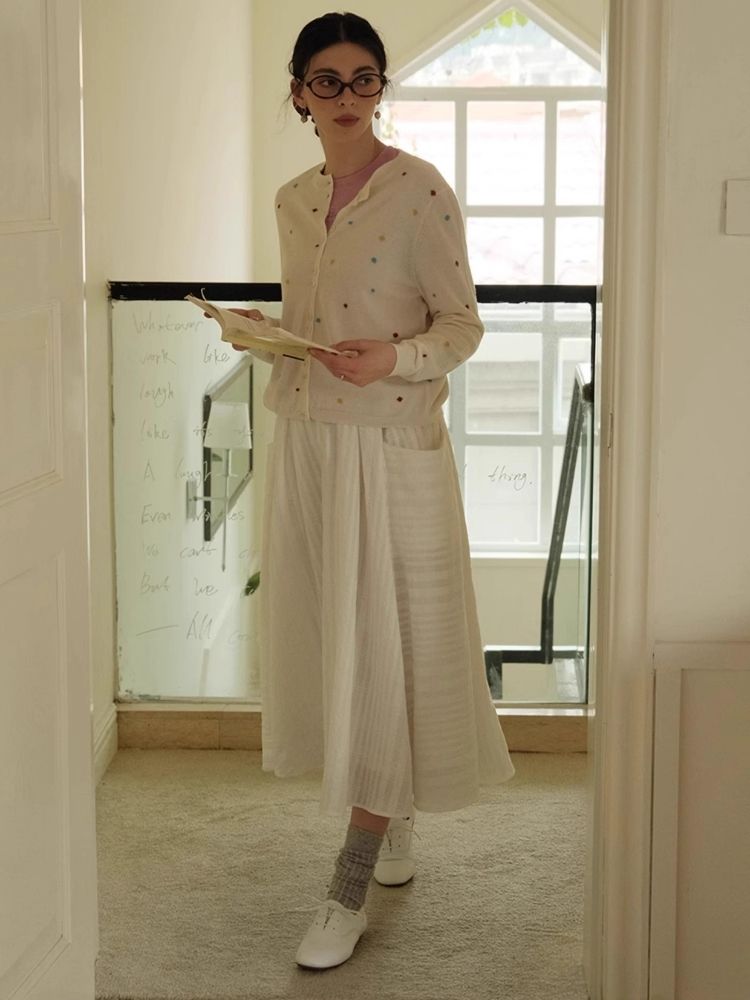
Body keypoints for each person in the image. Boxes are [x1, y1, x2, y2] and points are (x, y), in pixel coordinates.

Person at [232, 11, 514, 970]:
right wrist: (265, 334)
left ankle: (347, 882)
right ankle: (387, 811)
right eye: (327, 80)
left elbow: (462, 326)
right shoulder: (293, 199)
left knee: (386, 647)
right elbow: (318, 320)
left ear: (381, 88)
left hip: (390, 447)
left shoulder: (420, 190)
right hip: (310, 441)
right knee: (337, 642)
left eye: (363, 79)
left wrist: (394, 357)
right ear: (299, 93)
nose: (347, 96)